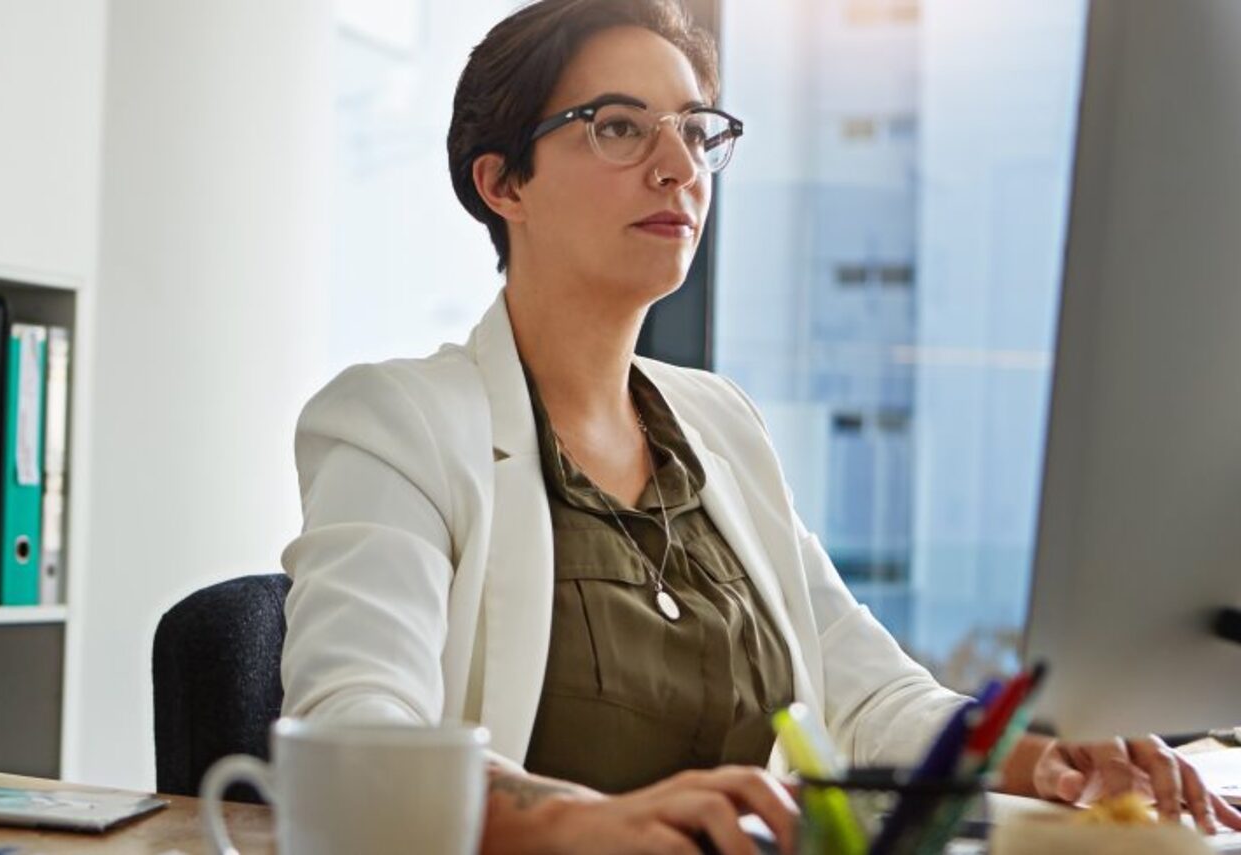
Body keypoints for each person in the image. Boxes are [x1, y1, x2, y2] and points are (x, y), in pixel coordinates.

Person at [278, 1, 1241, 852]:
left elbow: (867, 697)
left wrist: (1053, 763)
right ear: (505, 184)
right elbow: (359, 735)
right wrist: (578, 822)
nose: (676, 168)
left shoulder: (718, 423)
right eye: (618, 127)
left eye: (696, 133)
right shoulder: (395, 423)